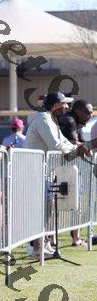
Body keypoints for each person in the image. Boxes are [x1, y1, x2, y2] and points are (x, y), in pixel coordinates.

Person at [24, 92, 92, 258]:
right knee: (39, 211)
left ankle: (43, 245)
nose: (67, 107)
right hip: (35, 171)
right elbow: (55, 144)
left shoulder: (51, 119)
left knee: (47, 211)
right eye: (64, 104)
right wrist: (78, 148)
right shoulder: (43, 119)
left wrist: (78, 148)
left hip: (44, 172)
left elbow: (64, 142)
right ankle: (36, 248)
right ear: (55, 105)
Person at [58, 99, 93, 246]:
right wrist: (86, 147)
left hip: (69, 168)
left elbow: (83, 145)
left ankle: (76, 237)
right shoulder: (69, 120)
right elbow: (73, 143)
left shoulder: (77, 122)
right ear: (78, 111)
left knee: (75, 203)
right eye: (88, 112)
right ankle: (51, 239)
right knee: (56, 204)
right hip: (60, 168)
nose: (90, 115)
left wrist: (86, 147)